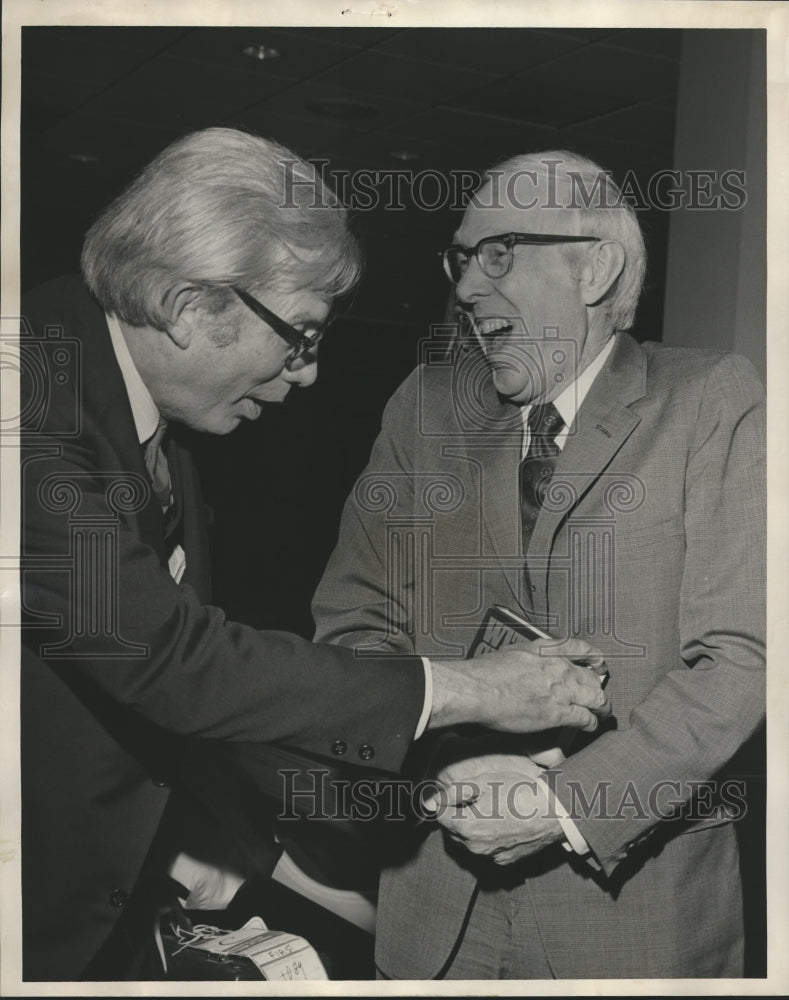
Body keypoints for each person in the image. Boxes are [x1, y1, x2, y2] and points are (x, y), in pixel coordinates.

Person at [18, 130, 612, 981]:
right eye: (299, 335)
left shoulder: (149, 413)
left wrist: (384, 807)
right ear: (193, 304)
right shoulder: (25, 399)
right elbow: (172, 666)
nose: (306, 374)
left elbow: (189, 702)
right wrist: (472, 687)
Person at [312, 150, 766, 979]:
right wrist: (435, 765)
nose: (466, 286)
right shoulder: (424, 409)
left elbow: (742, 659)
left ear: (592, 267)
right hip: (431, 908)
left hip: (634, 924)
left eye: (497, 254)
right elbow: (354, 616)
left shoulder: (711, 402)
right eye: (459, 259)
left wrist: (562, 805)